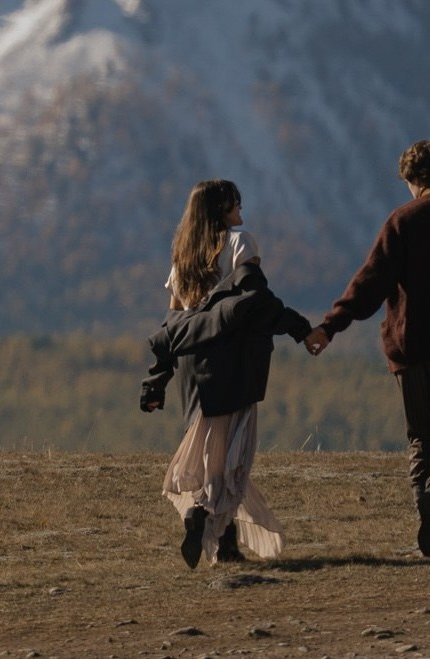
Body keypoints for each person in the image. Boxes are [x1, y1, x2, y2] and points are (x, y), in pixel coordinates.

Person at [305, 139, 430, 558]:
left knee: (421, 438)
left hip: (409, 349)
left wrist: (330, 327)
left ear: (410, 179)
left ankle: (425, 505)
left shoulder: (402, 222)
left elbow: (369, 283)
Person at [138, 179, 314, 568]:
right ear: (222, 210)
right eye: (236, 205)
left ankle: (226, 547)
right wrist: (302, 330)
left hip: (191, 368)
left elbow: (172, 323)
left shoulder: (181, 261)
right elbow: (258, 302)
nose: (241, 214)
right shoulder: (239, 243)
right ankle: (201, 513)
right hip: (234, 363)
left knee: (210, 454)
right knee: (233, 456)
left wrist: (157, 379)